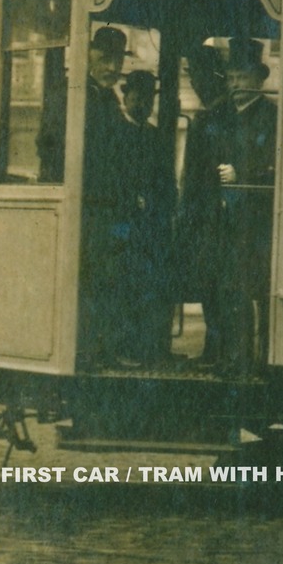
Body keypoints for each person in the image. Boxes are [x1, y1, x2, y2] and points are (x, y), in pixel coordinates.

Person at [216, 37, 278, 376]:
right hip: (226, 220)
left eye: (243, 77)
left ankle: (262, 361)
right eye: (231, 78)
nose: (236, 85)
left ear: (259, 79)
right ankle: (231, 358)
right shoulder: (221, 116)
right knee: (228, 290)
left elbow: (275, 164)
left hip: (258, 220)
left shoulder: (272, 116)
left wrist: (243, 173)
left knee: (260, 290)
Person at [80, 26, 134, 366]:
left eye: (116, 61)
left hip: (109, 209)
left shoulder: (108, 99)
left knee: (111, 279)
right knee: (96, 281)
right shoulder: (78, 97)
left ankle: (103, 350)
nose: (111, 67)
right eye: (103, 59)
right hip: (90, 209)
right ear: (88, 56)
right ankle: (94, 352)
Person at [176, 46, 232, 367]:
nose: (195, 81)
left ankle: (217, 351)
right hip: (203, 213)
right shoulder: (209, 115)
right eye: (191, 75)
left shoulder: (219, 116)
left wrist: (189, 210)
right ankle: (215, 349)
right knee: (209, 281)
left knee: (214, 282)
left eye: (198, 74)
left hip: (213, 214)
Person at [115, 70, 172, 363]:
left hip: (151, 226)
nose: (143, 104)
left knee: (152, 287)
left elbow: (165, 181)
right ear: (125, 97)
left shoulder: (154, 135)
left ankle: (152, 350)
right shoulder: (115, 132)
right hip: (123, 226)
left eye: (148, 99)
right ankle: (127, 349)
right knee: (126, 289)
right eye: (137, 96)